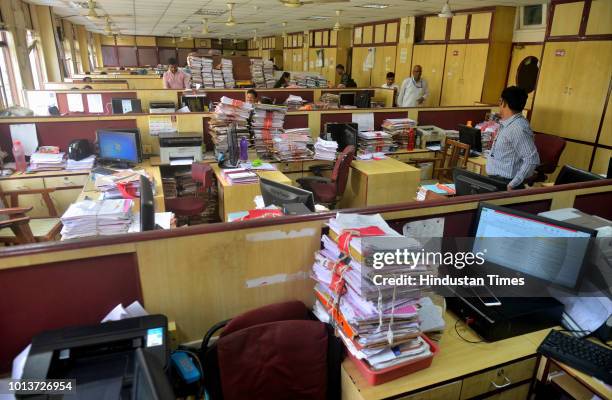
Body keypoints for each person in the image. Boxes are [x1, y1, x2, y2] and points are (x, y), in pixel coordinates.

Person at [486, 86, 540, 190]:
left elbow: (532, 159)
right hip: (496, 180)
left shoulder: (517, 128)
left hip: (506, 183)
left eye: (500, 101)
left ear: (504, 103)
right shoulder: (508, 123)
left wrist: (513, 184)